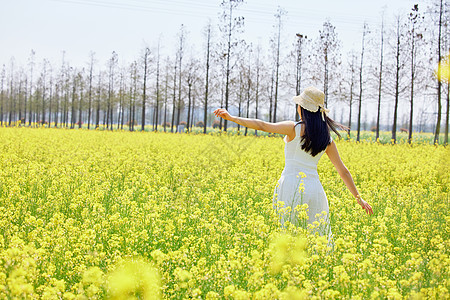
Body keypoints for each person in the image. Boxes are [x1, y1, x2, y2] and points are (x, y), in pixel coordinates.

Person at [213, 86, 373, 239]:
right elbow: (343, 171)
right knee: (316, 237)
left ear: (302, 108)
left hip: (291, 186)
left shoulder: (293, 128)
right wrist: (359, 199)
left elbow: (262, 125)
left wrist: (232, 118)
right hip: (315, 190)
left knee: (288, 236)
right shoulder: (327, 139)